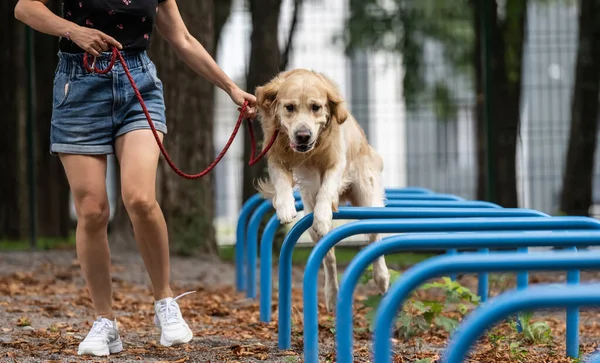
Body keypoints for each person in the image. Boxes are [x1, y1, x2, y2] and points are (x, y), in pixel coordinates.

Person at [14, 0, 257, 357]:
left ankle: (165, 303)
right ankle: (104, 322)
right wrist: (74, 30)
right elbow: (24, 8)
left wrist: (230, 88)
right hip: (77, 85)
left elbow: (184, 38)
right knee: (93, 211)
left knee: (140, 198)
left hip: (137, 83)